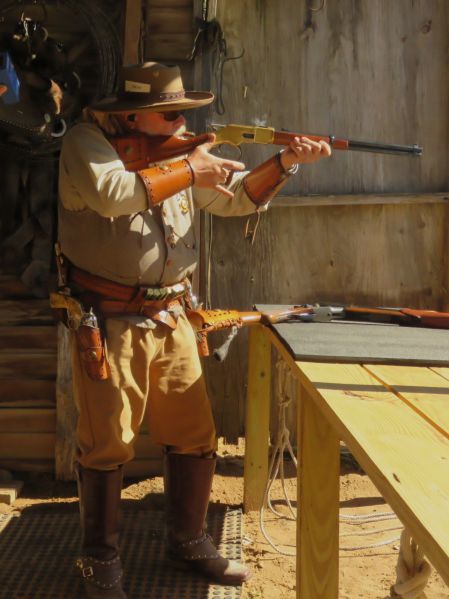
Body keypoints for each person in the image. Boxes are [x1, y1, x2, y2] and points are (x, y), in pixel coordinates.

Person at [57, 61, 331, 598]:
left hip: (174, 315)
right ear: (132, 115)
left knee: (194, 435)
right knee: (107, 443)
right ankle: (99, 560)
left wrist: (286, 162)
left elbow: (236, 199)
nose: (182, 123)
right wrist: (189, 167)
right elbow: (113, 193)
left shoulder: (179, 155)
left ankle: (189, 541)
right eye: (171, 115)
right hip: (109, 320)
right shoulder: (87, 144)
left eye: (184, 113)